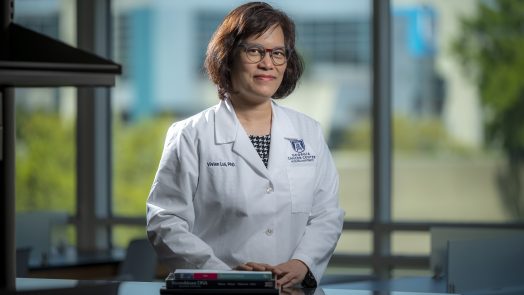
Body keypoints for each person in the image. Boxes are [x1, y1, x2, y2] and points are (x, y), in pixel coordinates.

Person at [146, 1, 344, 288]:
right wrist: (221, 274)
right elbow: (165, 222)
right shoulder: (191, 135)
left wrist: (302, 263)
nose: (268, 63)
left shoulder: (308, 132)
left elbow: (327, 213)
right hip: (215, 289)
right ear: (228, 56)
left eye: (278, 53)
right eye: (254, 51)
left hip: (289, 290)